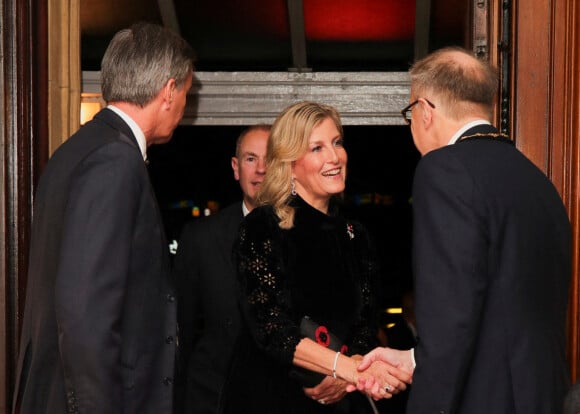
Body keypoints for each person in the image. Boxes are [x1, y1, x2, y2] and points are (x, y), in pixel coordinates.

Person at [357, 46, 571, 414]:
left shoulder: (443, 170)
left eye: (410, 113)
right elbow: (501, 310)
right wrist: (414, 358)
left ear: (425, 111)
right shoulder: (539, 182)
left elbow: (450, 314)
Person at [12, 22, 195, 414]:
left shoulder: (78, 149)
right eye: (187, 92)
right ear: (168, 91)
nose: (185, 107)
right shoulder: (116, 160)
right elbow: (84, 313)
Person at [220, 101, 411, 414]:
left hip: (339, 400)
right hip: (270, 398)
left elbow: (364, 328)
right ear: (290, 163)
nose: (335, 157)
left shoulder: (355, 234)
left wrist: (346, 373)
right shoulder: (261, 226)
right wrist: (346, 368)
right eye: (317, 148)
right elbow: (271, 328)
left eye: (336, 143)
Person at [173, 124, 269, 413]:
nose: (261, 169)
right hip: (213, 398)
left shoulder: (310, 235)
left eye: (271, 159)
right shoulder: (200, 237)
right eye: (251, 159)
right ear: (236, 167)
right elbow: (182, 331)